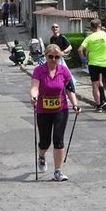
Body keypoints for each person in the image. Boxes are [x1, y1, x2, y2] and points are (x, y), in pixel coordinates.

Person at [30, 44, 80, 182]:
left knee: (58, 139)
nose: (53, 59)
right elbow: (35, 87)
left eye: (57, 57)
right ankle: (41, 155)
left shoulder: (63, 70)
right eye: (50, 56)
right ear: (45, 56)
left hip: (61, 109)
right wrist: (33, 96)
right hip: (43, 110)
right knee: (45, 141)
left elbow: (70, 89)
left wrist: (75, 104)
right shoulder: (39, 70)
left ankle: (58, 171)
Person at [77, 18, 106, 112]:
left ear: (92, 27)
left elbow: (79, 50)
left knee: (95, 85)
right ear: (100, 25)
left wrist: (83, 59)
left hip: (93, 63)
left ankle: (98, 105)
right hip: (105, 62)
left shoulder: (89, 37)